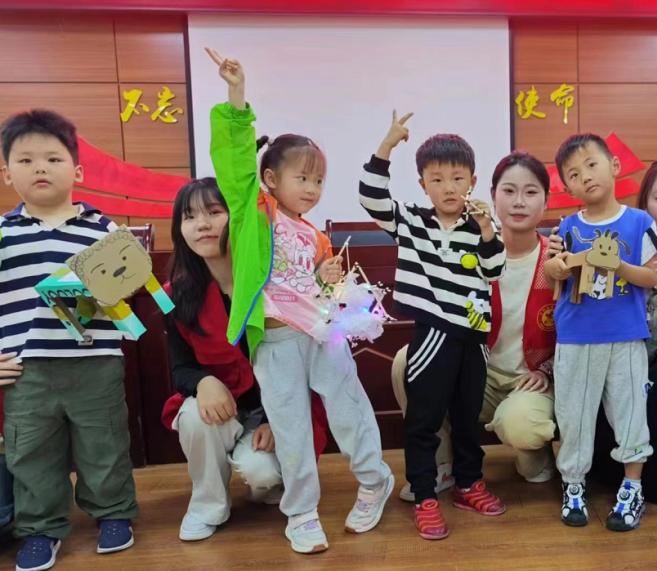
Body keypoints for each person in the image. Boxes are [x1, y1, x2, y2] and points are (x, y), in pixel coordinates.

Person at [206, 49, 393, 553]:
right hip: (275, 341)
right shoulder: (253, 213)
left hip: (323, 334)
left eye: (318, 180)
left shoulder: (315, 235)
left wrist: (326, 276)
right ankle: (302, 512)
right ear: (270, 180)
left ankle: (374, 481)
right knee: (290, 426)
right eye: (302, 178)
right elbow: (234, 160)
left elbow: (320, 287)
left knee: (350, 409)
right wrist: (237, 96)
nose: (311, 188)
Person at [0, 109, 138, 571]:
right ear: (7, 172)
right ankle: (40, 527)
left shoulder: (104, 229)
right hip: (26, 369)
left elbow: (129, 285)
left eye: (53, 159)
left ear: (77, 171)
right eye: (26, 160)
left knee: (105, 442)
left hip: (96, 359)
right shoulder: (3, 234)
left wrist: (121, 279)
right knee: (31, 450)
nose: (40, 168)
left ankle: (114, 512)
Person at [359, 110, 507, 540]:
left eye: (457, 179)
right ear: (423, 184)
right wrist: (387, 144)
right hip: (433, 335)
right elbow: (371, 196)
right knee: (423, 420)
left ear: (472, 182)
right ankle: (425, 495)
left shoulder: (481, 225)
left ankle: (468, 484)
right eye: (437, 179)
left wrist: (486, 229)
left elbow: (495, 270)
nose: (448, 187)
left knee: (467, 418)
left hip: (473, 339)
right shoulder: (411, 221)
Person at [160, 178, 331, 541]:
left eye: (214, 212)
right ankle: (207, 505)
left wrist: (274, 418)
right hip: (223, 408)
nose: (202, 224)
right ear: (179, 229)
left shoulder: (275, 284)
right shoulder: (177, 295)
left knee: (262, 473)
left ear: (238, 217)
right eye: (189, 216)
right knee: (193, 416)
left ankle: (269, 482)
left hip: (280, 404)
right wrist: (203, 382)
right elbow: (180, 368)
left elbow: (302, 363)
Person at [389, 151, 558, 502]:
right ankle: (443, 462)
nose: (519, 202)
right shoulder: (470, 249)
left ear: (546, 200)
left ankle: (534, 454)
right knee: (407, 361)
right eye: (509, 191)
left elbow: (575, 328)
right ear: (491, 196)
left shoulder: (555, 259)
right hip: (477, 372)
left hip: (529, 380)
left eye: (530, 192)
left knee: (523, 433)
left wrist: (548, 369)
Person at [543, 133, 657, 531]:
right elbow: (552, 275)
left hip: (626, 336)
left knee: (631, 414)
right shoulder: (566, 226)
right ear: (567, 187)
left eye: (591, 165)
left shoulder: (639, 222)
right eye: (574, 174)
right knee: (573, 416)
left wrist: (618, 266)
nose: (586, 177)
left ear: (614, 166)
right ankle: (573, 483)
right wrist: (555, 268)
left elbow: (654, 277)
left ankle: (632, 487)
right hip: (575, 337)